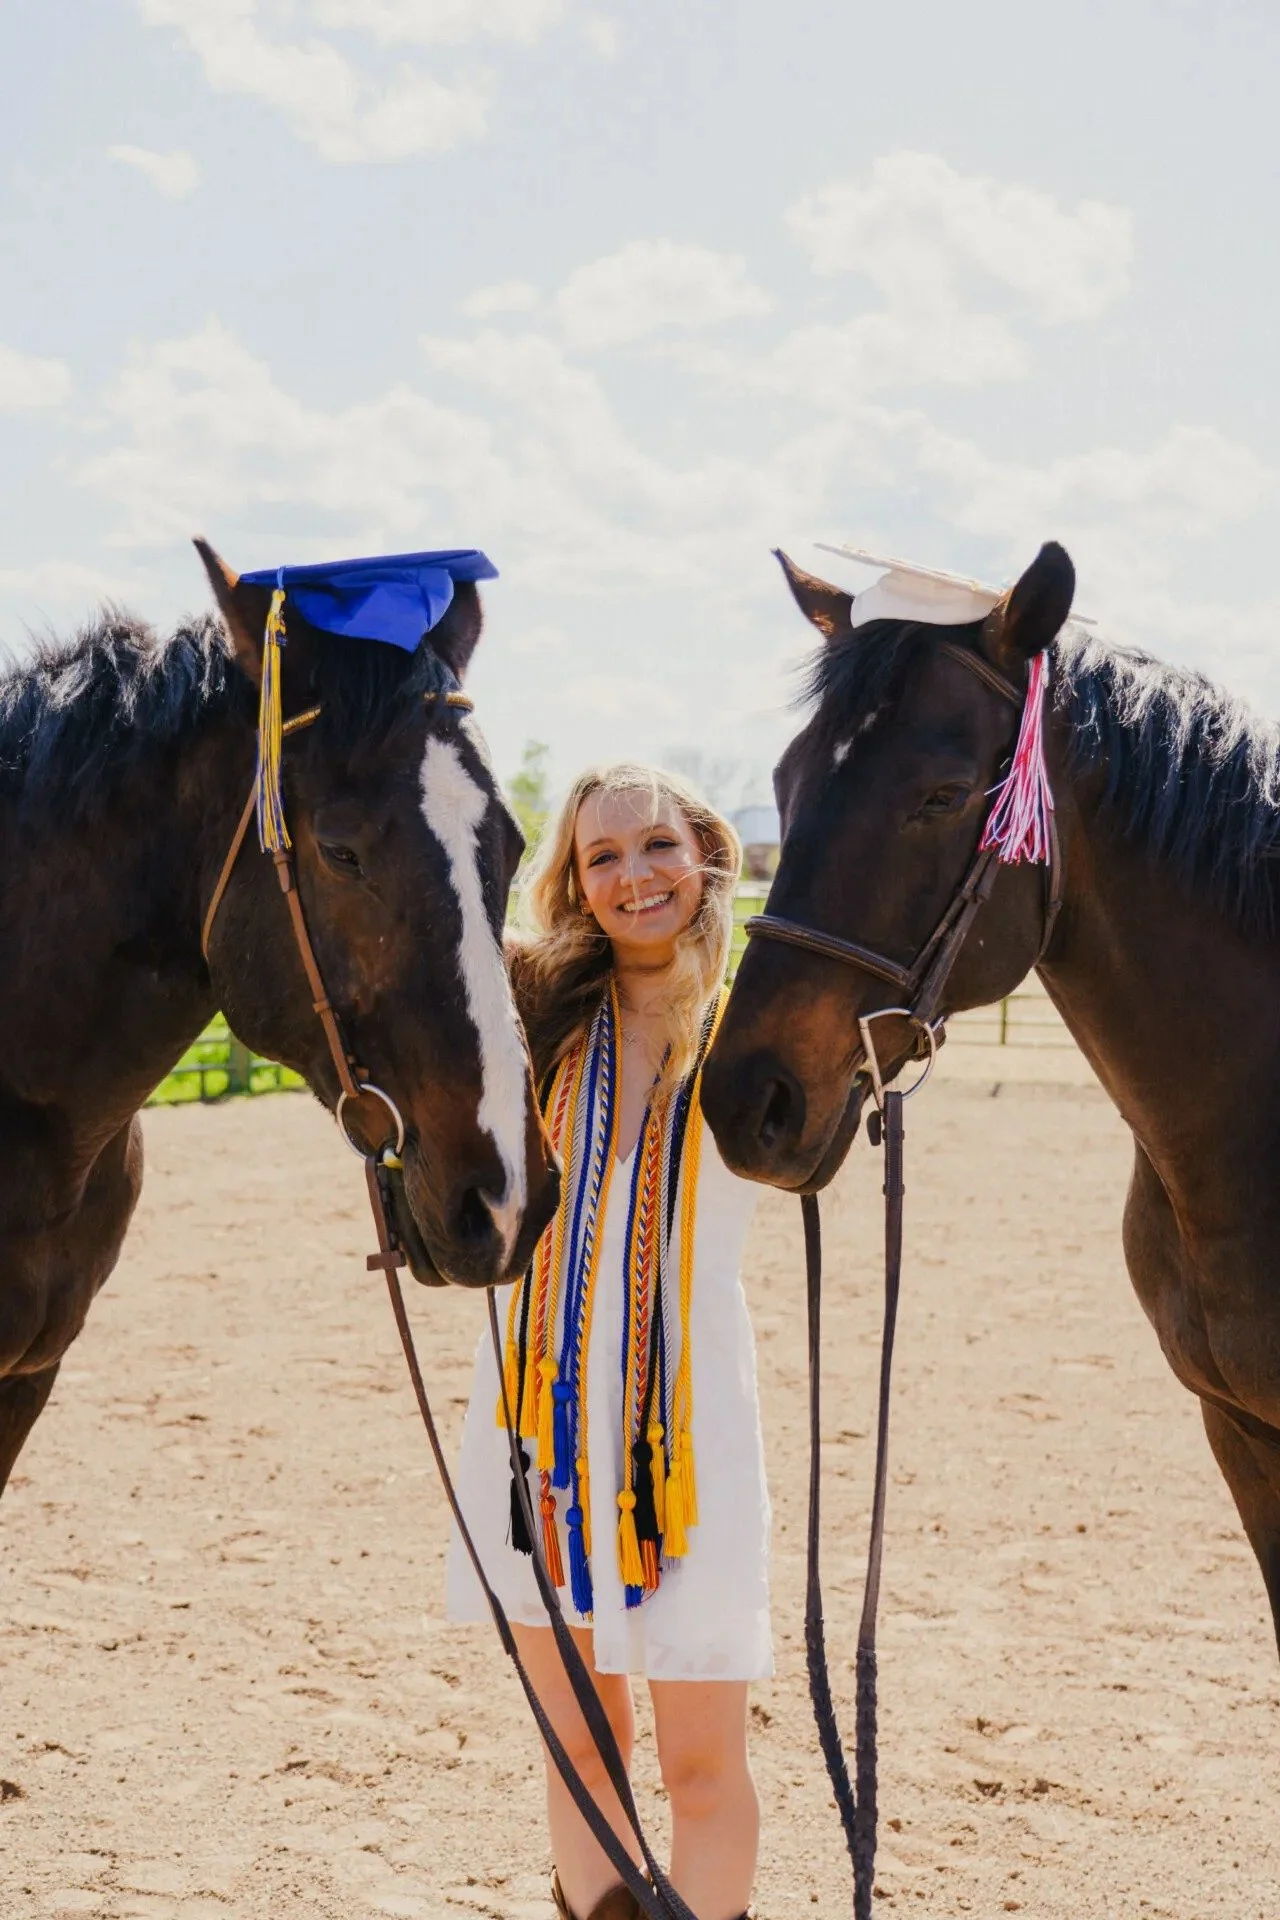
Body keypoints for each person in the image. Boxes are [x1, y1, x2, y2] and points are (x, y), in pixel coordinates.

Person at [447, 764, 770, 1920]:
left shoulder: (757, 1022)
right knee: (580, 1748)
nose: (634, 874)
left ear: (704, 853)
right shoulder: (533, 1014)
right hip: (531, 1420)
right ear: (575, 881)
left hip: (685, 1431)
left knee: (700, 1766)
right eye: (603, 856)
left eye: (657, 845)